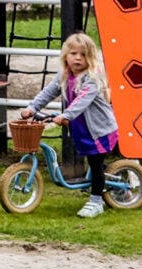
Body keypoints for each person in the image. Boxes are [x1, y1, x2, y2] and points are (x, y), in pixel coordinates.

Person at [19, 31, 123, 218]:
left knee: (95, 163)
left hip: (99, 131)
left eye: (83, 55)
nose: (78, 58)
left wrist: (66, 115)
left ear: (90, 58)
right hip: (82, 130)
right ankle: (109, 186)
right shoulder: (64, 75)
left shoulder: (92, 79)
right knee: (94, 162)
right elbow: (48, 93)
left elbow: (82, 101)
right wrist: (32, 108)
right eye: (74, 53)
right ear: (65, 55)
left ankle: (96, 202)